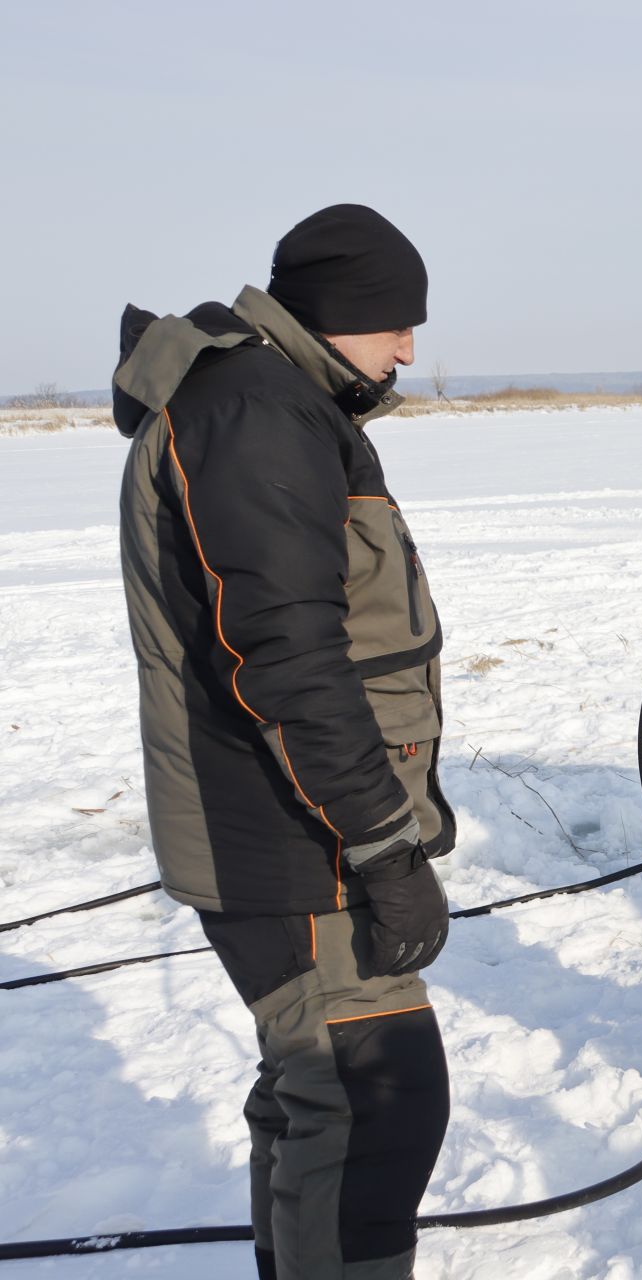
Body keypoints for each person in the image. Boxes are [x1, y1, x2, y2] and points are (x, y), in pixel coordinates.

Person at [115, 204, 454, 1280]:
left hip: (292, 822)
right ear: (340, 313)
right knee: (374, 1091)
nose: (409, 348)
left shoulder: (274, 401)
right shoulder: (256, 411)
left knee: (324, 1092)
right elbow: (290, 656)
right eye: (396, 323)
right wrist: (381, 843)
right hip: (283, 829)